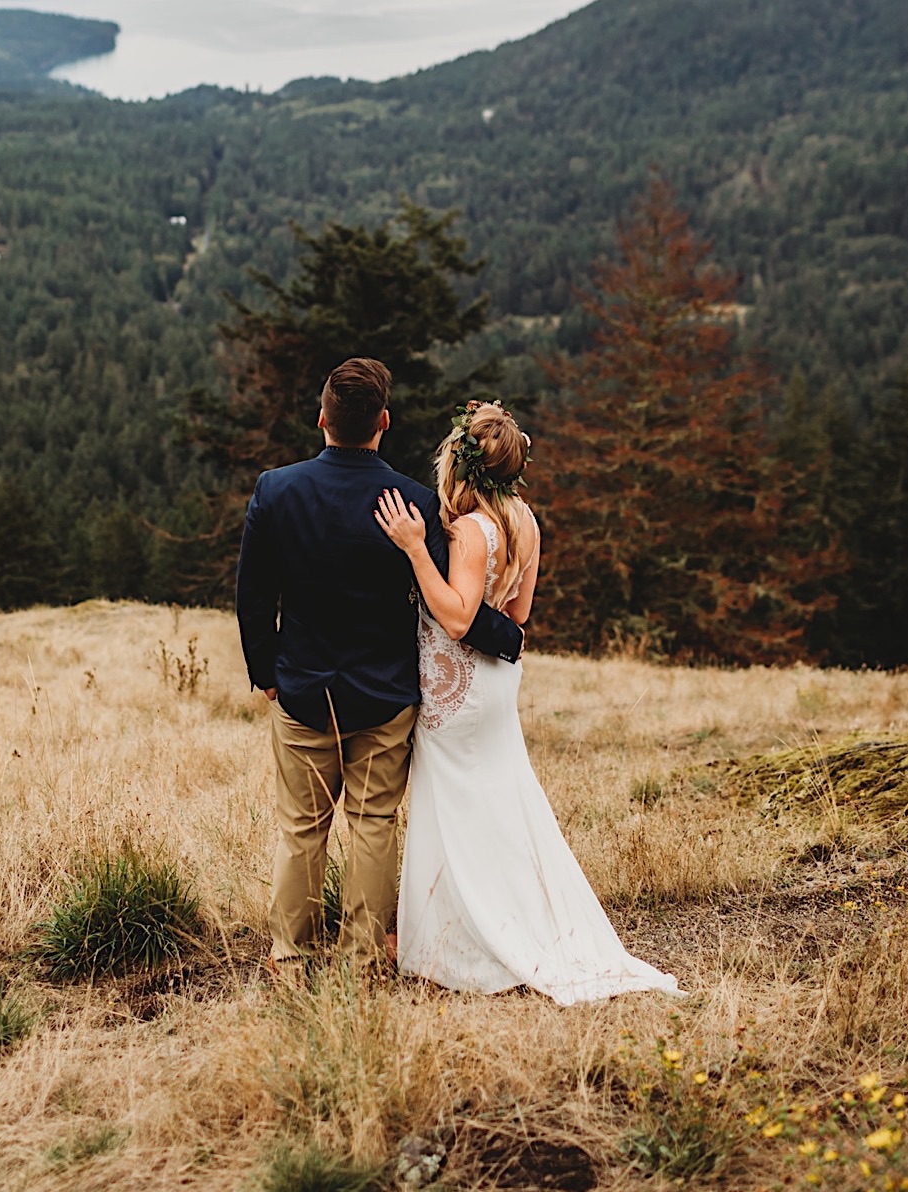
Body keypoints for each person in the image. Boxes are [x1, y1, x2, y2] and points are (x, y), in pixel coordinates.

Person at [375, 399, 678, 1006]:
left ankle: (458, 939)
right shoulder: (524, 521)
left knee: (453, 806)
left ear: (459, 464)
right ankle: (504, 916)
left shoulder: (466, 530)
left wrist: (413, 549)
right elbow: (517, 617)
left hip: (453, 689)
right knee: (500, 803)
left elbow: (460, 618)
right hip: (495, 686)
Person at [235, 358, 523, 970]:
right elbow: (453, 601)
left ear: (322, 420)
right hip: (386, 695)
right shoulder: (414, 505)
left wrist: (266, 673)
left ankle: (290, 958)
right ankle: (361, 961)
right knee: (372, 824)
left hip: (303, 689)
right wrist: (511, 637)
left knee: (301, 829)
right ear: (383, 423)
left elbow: (253, 594)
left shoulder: (276, 490)